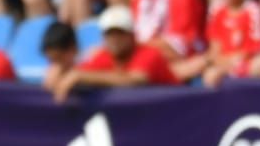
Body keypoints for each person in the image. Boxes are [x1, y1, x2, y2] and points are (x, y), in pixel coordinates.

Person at [44, 5, 178, 103]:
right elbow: (80, 74)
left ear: (131, 35)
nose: (115, 40)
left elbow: (135, 80)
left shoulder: (150, 54)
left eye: (120, 34)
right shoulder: (104, 56)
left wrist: (78, 76)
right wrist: (60, 70)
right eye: (109, 35)